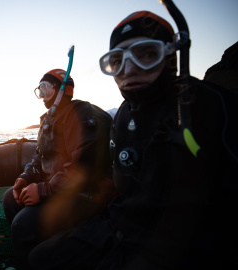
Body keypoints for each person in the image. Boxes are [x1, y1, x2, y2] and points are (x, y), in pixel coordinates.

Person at [28, 11, 238, 269]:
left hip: (186, 245)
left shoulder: (213, 105)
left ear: (170, 55)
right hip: (122, 229)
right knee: (41, 258)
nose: (129, 69)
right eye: (116, 61)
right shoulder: (125, 114)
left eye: (146, 54)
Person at [2, 69, 114, 269]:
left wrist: (44, 190)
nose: (42, 96)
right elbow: (40, 156)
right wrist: (26, 177)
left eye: (45, 89)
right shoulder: (48, 119)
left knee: (22, 224)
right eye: (39, 90)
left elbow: (83, 165)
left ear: (62, 89)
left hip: (83, 194)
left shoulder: (79, 113)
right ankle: (35, 251)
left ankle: (35, 260)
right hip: (58, 188)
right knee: (10, 198)